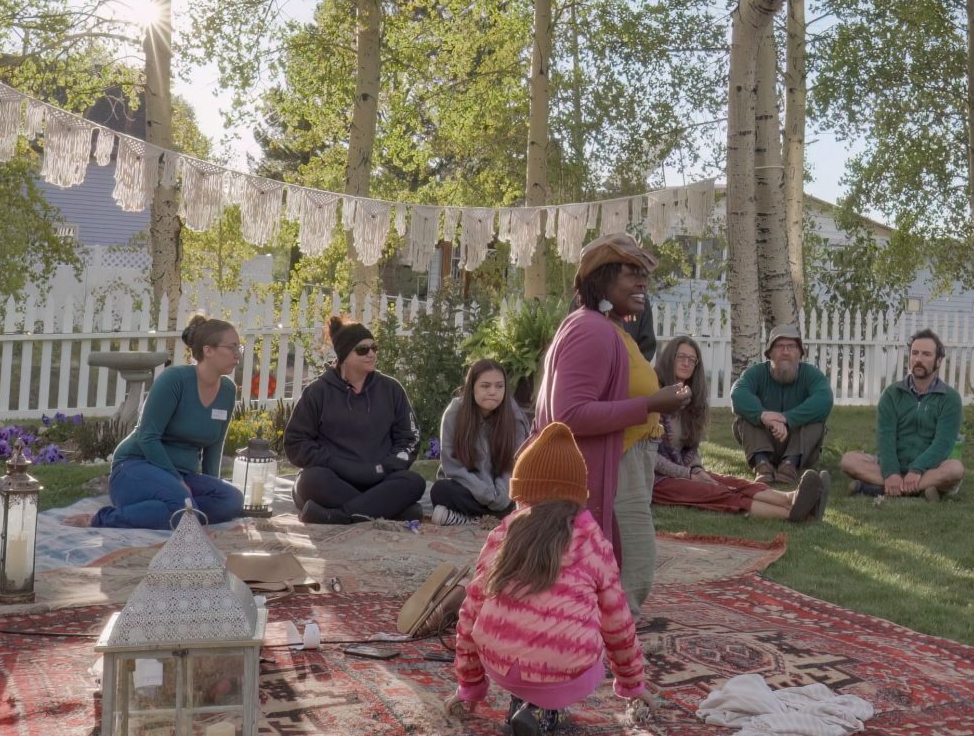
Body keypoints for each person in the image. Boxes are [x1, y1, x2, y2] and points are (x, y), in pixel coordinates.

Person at [445, 422, 650, 736]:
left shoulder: (504, 532)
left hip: (501, 664)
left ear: (521, 493)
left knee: (522, 639)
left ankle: (523, 701)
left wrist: (469, 685)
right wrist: (631, 684)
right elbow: (618, 624)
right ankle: (543, 710)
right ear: (577, 495)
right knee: (582, 643)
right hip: (563, 668)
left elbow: (470, 613)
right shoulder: (592, 540)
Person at [534, 234, 691, 615]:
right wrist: (651, 404)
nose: (643, 283)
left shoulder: (609, 328)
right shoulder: (591, 330)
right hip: (611, 466)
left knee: (625, 567)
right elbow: (568, 415)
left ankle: (598, 639)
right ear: (601, 279)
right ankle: (599, 646)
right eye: (631, 273)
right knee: (631, 567)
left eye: (644, 275)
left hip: (627, 460)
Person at [90, 314, 245, 529]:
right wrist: (176, 480)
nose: (238, 354)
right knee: (184, 505)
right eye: (232, 347)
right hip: (137, 466)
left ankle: (179, 511)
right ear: (208, 350)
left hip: (183, 476)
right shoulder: (174, 380)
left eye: (239, 348)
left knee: (232, 500)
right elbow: (147, 437)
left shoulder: (227, 391)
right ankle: (103, 518)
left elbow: (214, 446)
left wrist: (211, 485)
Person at [652, 336, 826, 521]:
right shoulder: (654, 395)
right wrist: (687, 474)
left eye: (692, 360)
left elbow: (691, 447)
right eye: (681, 357)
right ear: (669, 358)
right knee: (714, 492)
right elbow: (648, 456)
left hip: (683, 469)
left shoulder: (691, 400)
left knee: (733, 482)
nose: (686, 363)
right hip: (655, 480)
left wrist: (696, 469)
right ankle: (795, 514)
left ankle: (790, 498)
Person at [284, 315, 428, 524]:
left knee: (414, 482)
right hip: (334, 479)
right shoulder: (318, 392)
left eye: (374, 348)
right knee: (309, 482)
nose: (371, 354)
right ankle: (389, 510)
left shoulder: (391, 389)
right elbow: (296, 442)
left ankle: (336, 516)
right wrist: (335, 463)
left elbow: (410, 437)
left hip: (380, 479)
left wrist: (388, 466)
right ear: (344, 355)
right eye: (362, 350)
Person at [839, 330, 965, 500]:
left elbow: (943, 444)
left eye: (926, 354)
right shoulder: (892, 394)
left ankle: (877, 488)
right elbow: (886, 437)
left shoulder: (950, 398)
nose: (918, 359)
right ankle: (918, 489)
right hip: (894, 463)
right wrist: (891, 472)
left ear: (939, 361)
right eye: (915, 353)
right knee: (849, 460)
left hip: (930, 467)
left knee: (955, 469)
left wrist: (916, 469)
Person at [430, 359, 534, 526]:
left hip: (501, 491)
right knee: (441, 490)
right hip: (467, 486)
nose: (492, 392)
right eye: (485, 386)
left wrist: (500, 494)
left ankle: (467, 519)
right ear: (472, 388)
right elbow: (452, 466)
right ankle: (492, 519)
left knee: (522, 500)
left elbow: (514, 465)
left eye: (499, 386)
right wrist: (485, 493)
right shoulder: (455, 413)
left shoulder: (514, 417)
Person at [728, 326, 834, 485]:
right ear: (769, 353)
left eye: (791, 347)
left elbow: (824, 399)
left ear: (800, 353)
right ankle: (761, 464)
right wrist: (763, 416)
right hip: (764, 439)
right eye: (779, 346)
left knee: (816, 422)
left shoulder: (811, 374)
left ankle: (790, 465)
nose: (785, 351)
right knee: (744, 419)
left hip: (799, 445)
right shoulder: (756, 372)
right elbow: (738, 394)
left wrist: (785, 418)